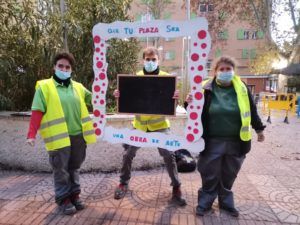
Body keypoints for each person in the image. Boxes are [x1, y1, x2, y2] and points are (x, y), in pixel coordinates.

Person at [186, 56, 265, 217]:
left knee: (230, 173)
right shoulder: (204, 88)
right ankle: (205, 201)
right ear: (215, 72)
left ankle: (226, 202)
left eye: (228, 69)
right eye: (221, 69)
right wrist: (188, 102)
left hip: (237, 140)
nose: (225, 72)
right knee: (209, 172)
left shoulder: (242, 87)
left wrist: (259, 129)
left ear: (233, 71)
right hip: (211, 140)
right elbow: (191, 110)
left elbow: (252, 109)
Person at [113, 47, 186, 206]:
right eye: (148, 59)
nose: (150, 62)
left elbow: (173, 103)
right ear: (143, 60)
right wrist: (120, 95)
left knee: (168, 154)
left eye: (153, 59)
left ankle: (177, 187)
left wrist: (175, 98)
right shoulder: (135, 77)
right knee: (128, 154)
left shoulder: (167, 78)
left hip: (160, 126)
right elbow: (127, 98)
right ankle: (123, 183)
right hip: (139, 126)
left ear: (158, 61)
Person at [26, 52, 96, 215]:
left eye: (67, 67)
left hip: (78, 136)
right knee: (61, 170)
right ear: (54, 67)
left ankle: (75, 195)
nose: (64, 69)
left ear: (71, 69)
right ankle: (63, 198)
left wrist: (111, 92)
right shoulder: (45, 87)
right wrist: (31, 134)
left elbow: (95, 99)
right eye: (61, 66)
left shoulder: (78, 87)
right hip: (58, 138)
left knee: (74, 168)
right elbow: (37, 112)